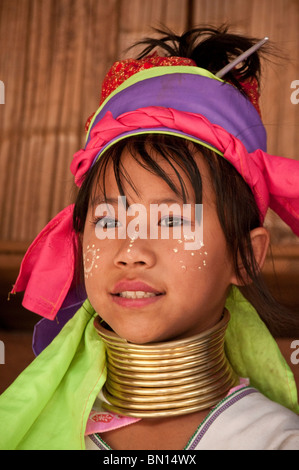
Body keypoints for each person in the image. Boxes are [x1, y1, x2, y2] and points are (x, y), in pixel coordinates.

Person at [0, 25, 299, 450]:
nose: (131, 252)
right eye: (107, 220)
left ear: (244, 257)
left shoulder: (276, 442)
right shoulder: (26, 427)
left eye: (173, 222)